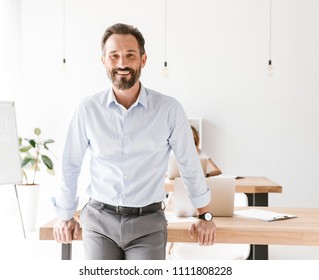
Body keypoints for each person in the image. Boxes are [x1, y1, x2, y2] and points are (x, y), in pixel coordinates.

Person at [52, 23, 216, 260]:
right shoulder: (87, 109)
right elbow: (70, 164)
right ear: (104, 61)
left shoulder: (169, 109)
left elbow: (189, 165)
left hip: (148, 224)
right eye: (114, 56)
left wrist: (205, 216)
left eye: (130, 55)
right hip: (99, 222)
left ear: (143, 59)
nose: (122, 64)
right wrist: (65, 215)